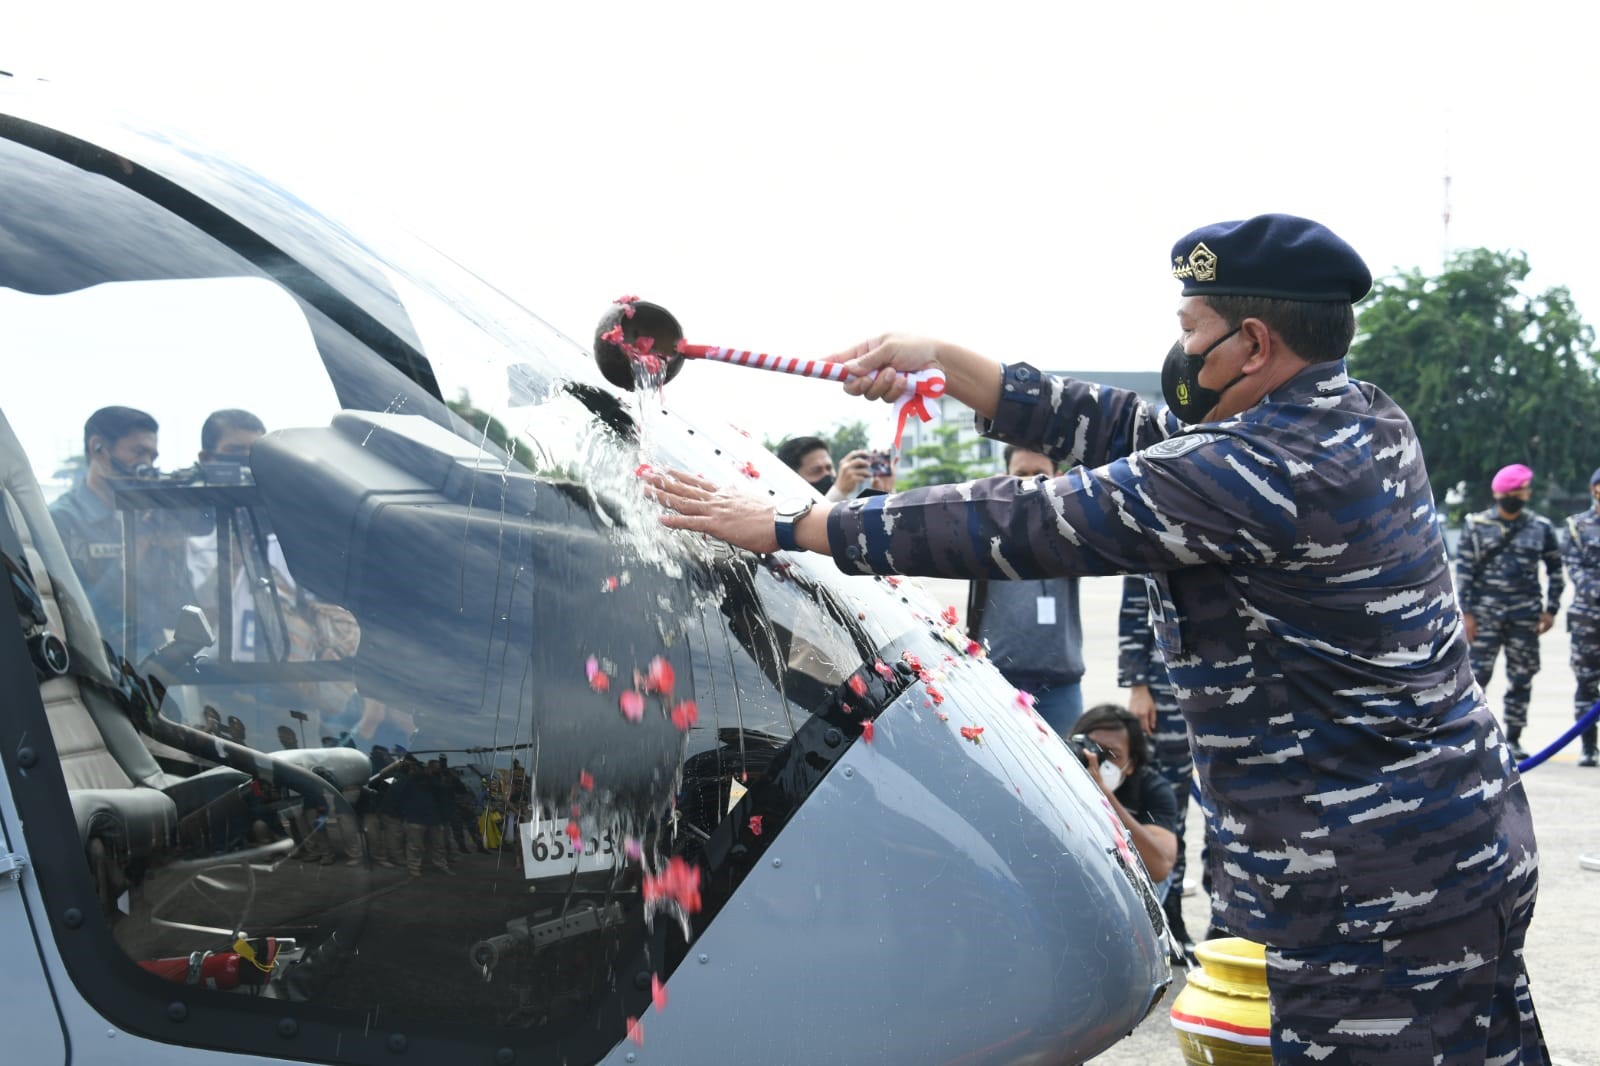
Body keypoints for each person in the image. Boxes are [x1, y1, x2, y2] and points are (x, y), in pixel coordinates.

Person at [653, 214, 1545, 1063]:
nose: (1183, 352)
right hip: (1449, 853)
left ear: (1255, 345)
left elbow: (1033, 517)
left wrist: (795, 526)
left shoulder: (1258, 469)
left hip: (1378, 893)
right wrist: (945, 363)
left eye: (1194, 329)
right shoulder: (1356, 418)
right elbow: (1126, 427)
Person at [50, 405, 196, 659]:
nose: (146, 465)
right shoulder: (62, 520)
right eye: (138, 452)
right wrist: (132, 555)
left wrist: (174, 552)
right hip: (97, 663)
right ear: (98, 447)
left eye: (152, 456)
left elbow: (176, 611)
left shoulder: (147, 517)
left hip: (153, 665)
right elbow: (72, 616)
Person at [967, 446, 1084, 734]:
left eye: (1040, 475)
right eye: (1020, 475)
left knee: (1063, 775)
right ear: (1004, 477)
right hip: (996, 681)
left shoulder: (1073, 528)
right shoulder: (984, 527)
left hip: (1060, 689)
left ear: (1058, 477)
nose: (1030, 484)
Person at [1456, 463, 1564, 760]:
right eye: (1512, 491)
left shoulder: (1540, 528)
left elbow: (1556, 570)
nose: (1518, 495)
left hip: (1524, 618)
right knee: (1477, 680)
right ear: (1498, 493)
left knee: (1521, 679)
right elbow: (1463, 573)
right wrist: (1466, 614)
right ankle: (1477, 738)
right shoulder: (1476, 526)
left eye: (1521, 490)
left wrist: (1551, 609)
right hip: (1484, 617)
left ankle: (1514, 738)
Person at [1117, 569, 1196, 951]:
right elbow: (1135, 604)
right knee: (1170, 800)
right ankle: (1171, 911)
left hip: (1234, 680)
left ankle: (1227, 921)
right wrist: (1137, 685)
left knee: (1229, 806)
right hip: (1166, 683)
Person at [1071, 703, 1179, 897]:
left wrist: (1104, 797)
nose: (1099, 759)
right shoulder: (1058, 779)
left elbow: (1159, 868)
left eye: (1111, 754)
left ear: (1131, 764)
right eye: (1091, 749)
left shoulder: (1153, 789)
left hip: (1129, 884)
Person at [1562, 466, 1600, 767]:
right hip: (1589, 617)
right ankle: (1589, 746)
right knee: (1587, 683)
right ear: (1593, 490)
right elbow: (1577, 570)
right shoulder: (1576, 526)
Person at [775, 435, 891, 501]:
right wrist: (839, 491)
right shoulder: (778, 515)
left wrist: (885, 492)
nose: (827, 474)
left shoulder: (850, 503)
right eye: (816, 471)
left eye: (829, 468)